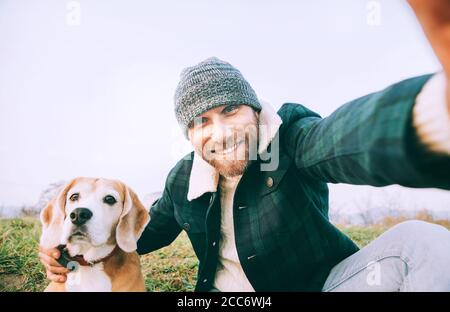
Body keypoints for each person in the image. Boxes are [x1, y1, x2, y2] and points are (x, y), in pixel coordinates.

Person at [40, 0, 450, 291]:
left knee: (419, 241)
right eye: (201, 121)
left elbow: (341, 140)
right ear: (189, 134)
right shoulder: (183, 178)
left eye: (231, 110)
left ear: (255, 110)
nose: (219, 132)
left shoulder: (290, 137)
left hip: (323, 285)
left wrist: (428, 117)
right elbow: (137, 233)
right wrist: (63, 246)